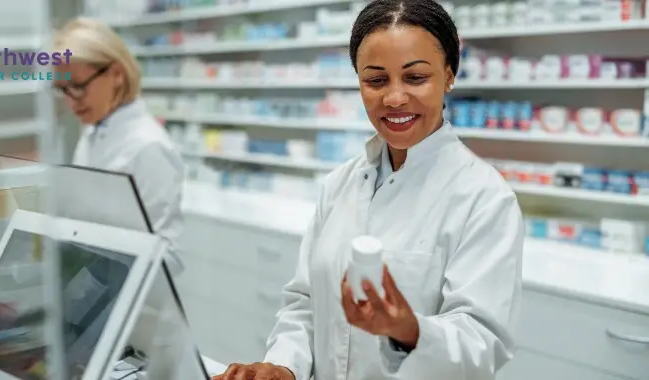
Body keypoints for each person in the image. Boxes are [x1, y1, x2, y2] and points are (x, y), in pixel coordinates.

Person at [214, 0, 524, 379]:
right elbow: (305, 303)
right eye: (376, 80)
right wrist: (284, 366)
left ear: (449, 74)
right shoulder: (339, 183)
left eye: (415, 78)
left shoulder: (484, 198)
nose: (393, 98)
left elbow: (481, 344)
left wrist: (407, 329)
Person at [52, 18, 185, 273]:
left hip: (136, 303)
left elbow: (168, 258)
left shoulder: (149, 147)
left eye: (78, 86)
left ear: (116, 75)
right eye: (63, 89)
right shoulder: (93, 133)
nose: (71, 102)